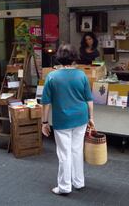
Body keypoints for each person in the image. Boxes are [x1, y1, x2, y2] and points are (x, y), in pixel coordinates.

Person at [41, 44, 94, 196]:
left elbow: (46, 103)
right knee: (77, 150)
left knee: (64, 153)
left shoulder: (52, 76)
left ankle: (64, 186)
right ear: (74, 58)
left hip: (62, 120)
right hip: (81, 117)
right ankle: (79, 181)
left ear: (59, 57)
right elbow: (89, 99)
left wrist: (44, 122)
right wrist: (91, 118)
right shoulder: (82, 75)